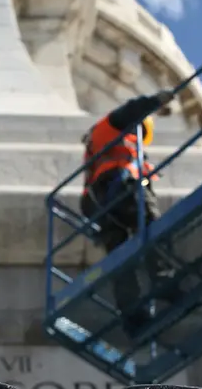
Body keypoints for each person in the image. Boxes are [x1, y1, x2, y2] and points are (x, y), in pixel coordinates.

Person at [80, 90, 184, 336]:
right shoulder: (113, 127)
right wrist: (156, 102)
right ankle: (164, 280)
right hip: (122, 189)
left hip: (99, 204)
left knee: (121, 259)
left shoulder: (99, 146)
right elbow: (131, 109)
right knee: (153, 228)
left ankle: (133, 314)